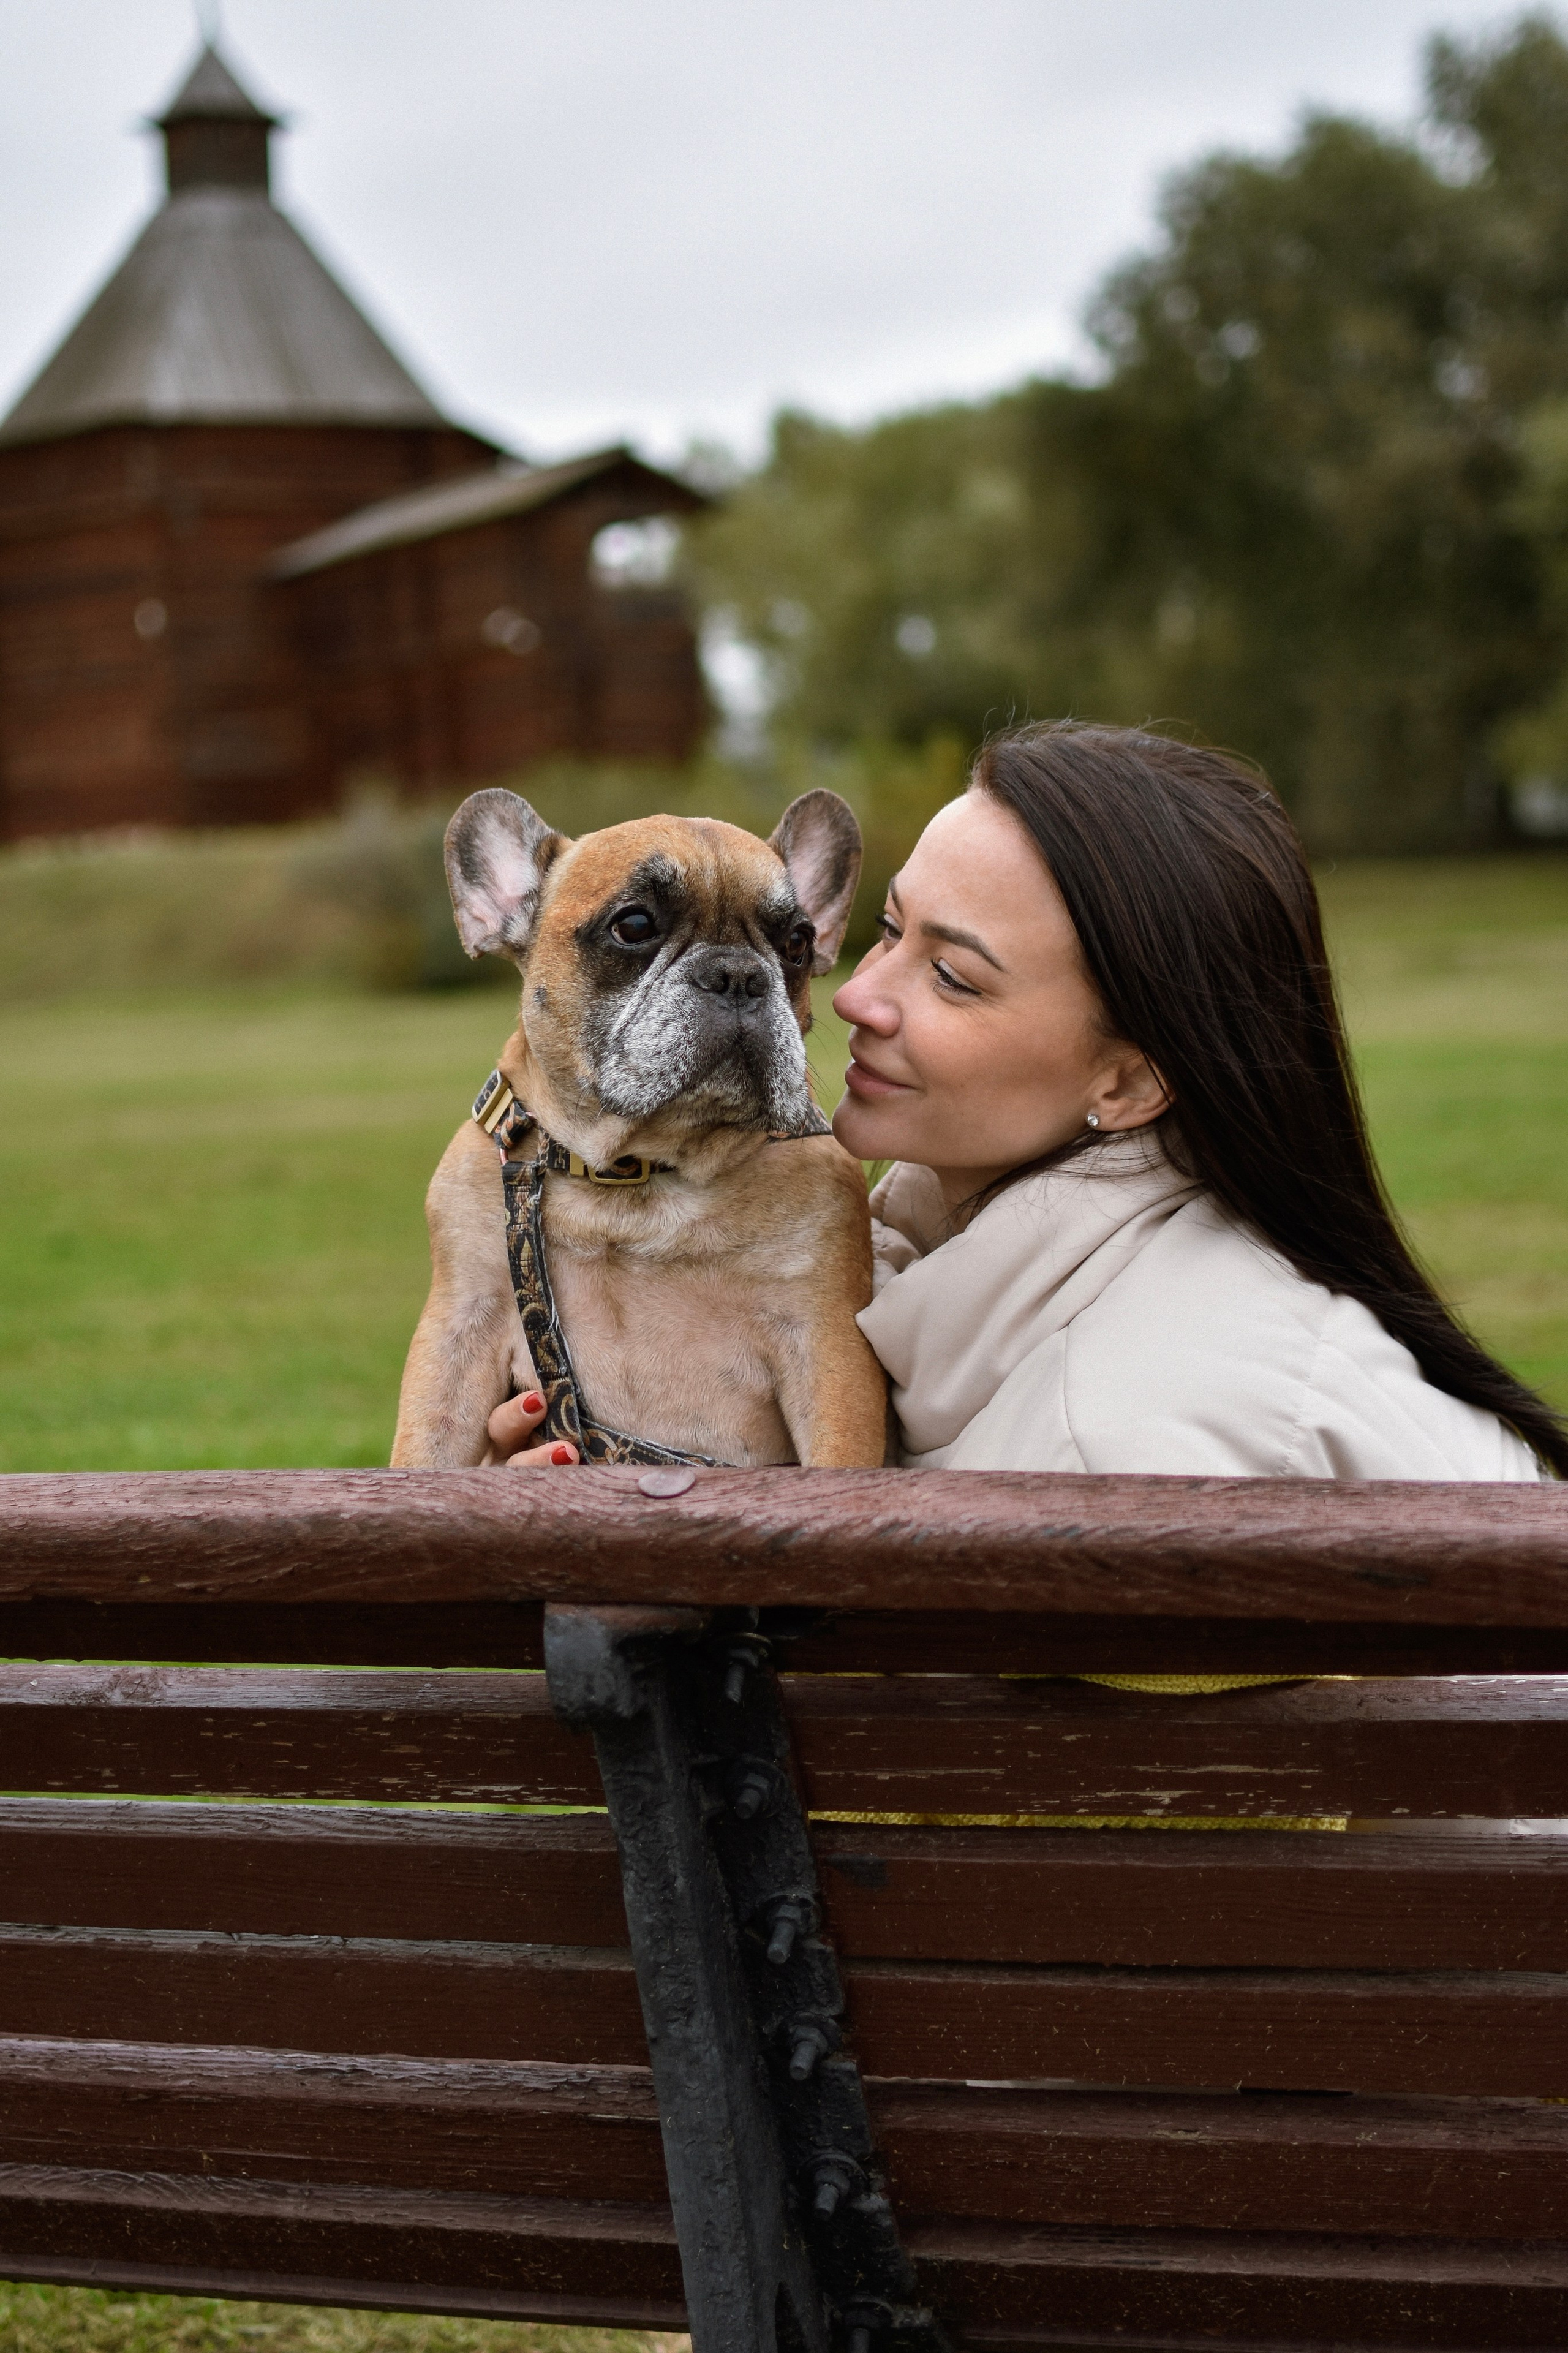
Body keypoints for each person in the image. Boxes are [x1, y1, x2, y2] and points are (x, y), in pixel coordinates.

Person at [494, 722, 1564, 1482]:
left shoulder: (1110, 1451)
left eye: (953, 977)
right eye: (883, 932)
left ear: (1130, 1079)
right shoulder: (949, 1251)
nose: (856, 996)